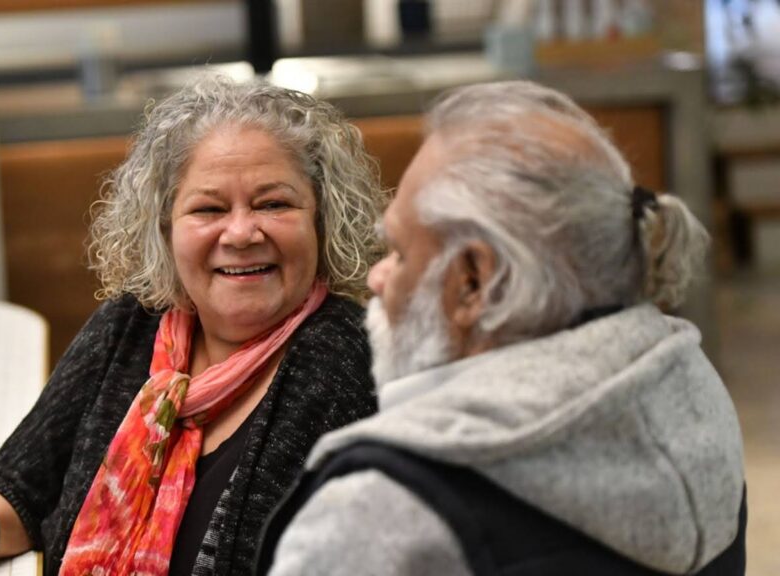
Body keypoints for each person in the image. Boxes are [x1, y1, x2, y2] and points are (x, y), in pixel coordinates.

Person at [0, 76, 384, 576]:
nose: (242, 232)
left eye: (274, 204)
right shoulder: (132, 326)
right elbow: (23, 489)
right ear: (165, 229)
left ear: (322, 220)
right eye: (209, 208)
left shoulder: (347, 361)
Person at [257, 81, 746, 575]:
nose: (376, 278)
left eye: (400, 253)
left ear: (474, 281)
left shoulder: (384, 510)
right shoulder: (694, 393)